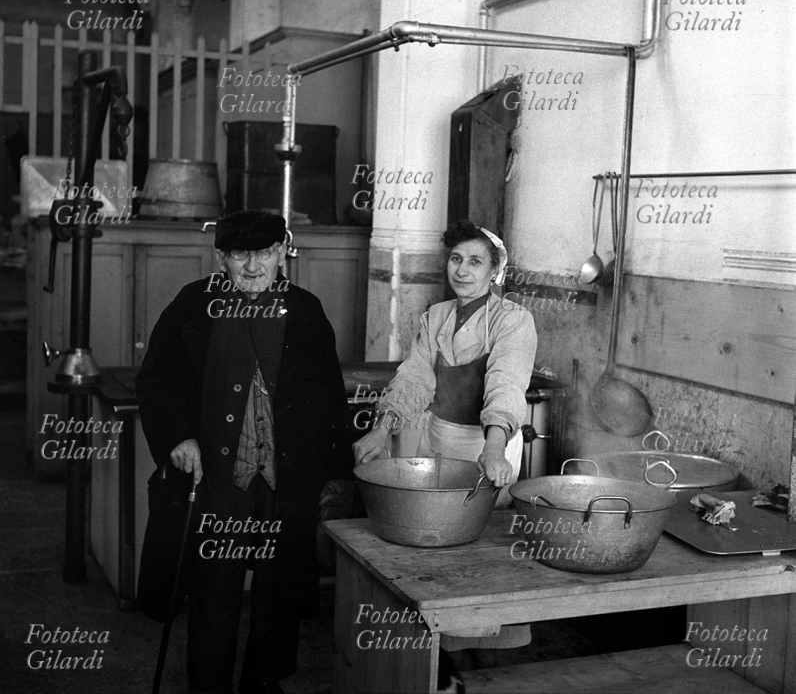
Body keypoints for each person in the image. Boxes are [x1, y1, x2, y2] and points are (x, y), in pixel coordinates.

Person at [136, 210, 351, 694]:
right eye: (239, 254)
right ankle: (207, 684)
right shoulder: (194, 305)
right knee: (214, 586)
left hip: (285, 477)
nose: (253, 265)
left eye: (264, 252)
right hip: (217, 478)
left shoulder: (306, 310)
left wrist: (337, 471)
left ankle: (263, 681)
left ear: (282, 254)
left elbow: (330, 398)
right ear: (221, 258)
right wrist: (177, 438)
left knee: (281, 586)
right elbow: (157, 379)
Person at [353, 220, 537, 652]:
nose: (463, 270)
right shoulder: (436, 317)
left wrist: (494, 450)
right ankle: (440, 648)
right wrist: (381, 431)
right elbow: (413, 381)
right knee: (437, 538)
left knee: (481, 545)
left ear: (495, 271)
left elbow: (506, 385)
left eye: (475, 261)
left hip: (488, 445)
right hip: (439, 440)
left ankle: (488, 648)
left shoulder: (512, 320)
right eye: (456, 259)